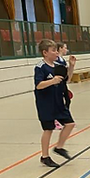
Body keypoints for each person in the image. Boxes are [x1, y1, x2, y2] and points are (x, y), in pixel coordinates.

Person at [34, 39, 74, 168]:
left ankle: (59, 147)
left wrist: (71, 66)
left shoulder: (58, 66)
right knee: (48, 129)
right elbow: (39, 85)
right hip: (46, 103)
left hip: (58, 101)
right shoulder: (40, 67)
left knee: (70, 124)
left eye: (57, 50)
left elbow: (67, 80)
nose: (56, 53)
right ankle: (45, 157)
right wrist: (52, 81)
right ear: (45, 53)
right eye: (53, 50)